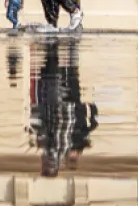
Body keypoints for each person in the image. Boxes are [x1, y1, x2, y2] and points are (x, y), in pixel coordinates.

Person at [31, 40, 99, 176]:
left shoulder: (63, 147)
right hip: (62, 107)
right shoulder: (57, 149)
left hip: (66, 107)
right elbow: (90, 126)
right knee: (58, 73)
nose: (43, 162)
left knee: (63, 73)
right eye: (45, 165)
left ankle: (60, 45)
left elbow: (91, 125)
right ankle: (56, 43)